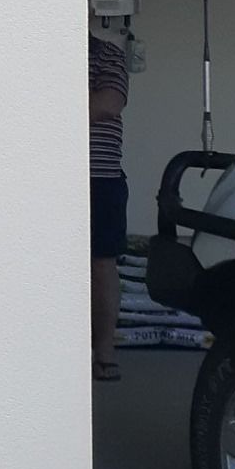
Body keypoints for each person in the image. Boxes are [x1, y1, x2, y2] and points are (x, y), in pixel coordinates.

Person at [89, 29, 130, 381]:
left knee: (102, 264)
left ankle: (103, 353)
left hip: (101, 179)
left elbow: (108, 102)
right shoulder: (41, 56)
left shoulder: (107, 55)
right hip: (45, 181)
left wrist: (54, 110)